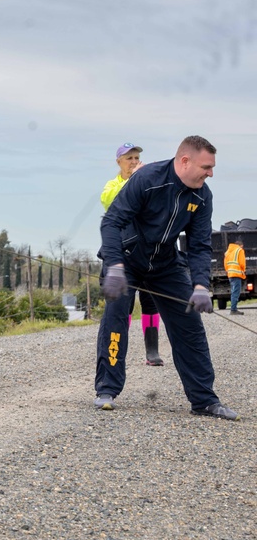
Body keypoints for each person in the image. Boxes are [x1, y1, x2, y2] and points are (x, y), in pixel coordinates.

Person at [96, 135, 238, 420]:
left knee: (190, 325)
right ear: (184, 161)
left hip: (165, 265)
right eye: (206, 166)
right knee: (116, 317)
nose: (210, 173)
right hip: (126, 259)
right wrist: (113, 265)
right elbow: (112, 221)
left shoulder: (201, 195)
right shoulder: (148, 179)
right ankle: (107, 390)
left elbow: (198, 245)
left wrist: (200, 284)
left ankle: (204, 400)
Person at [100, 142, 164, 366]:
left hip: (146, 252)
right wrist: (134, 181)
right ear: (119, 162)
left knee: (150, 303)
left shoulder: (147, 180)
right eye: (129, 159)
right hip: (123, 254)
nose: (134, 162)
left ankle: (152, 351)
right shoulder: (111, 186)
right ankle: (119, 352)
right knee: (122, 306)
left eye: (137, 158)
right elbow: (110, 201)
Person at [224, 236, 246, 315]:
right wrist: (243, 271)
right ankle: (233, 310)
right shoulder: (239, 250)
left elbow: (225, 265)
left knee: (233, 291)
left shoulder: (228, 252)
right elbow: (242, 263)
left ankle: (233, 308)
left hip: (230, 274)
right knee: (236, 292)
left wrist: (228, 272)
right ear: (240, 245)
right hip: (237, 274)